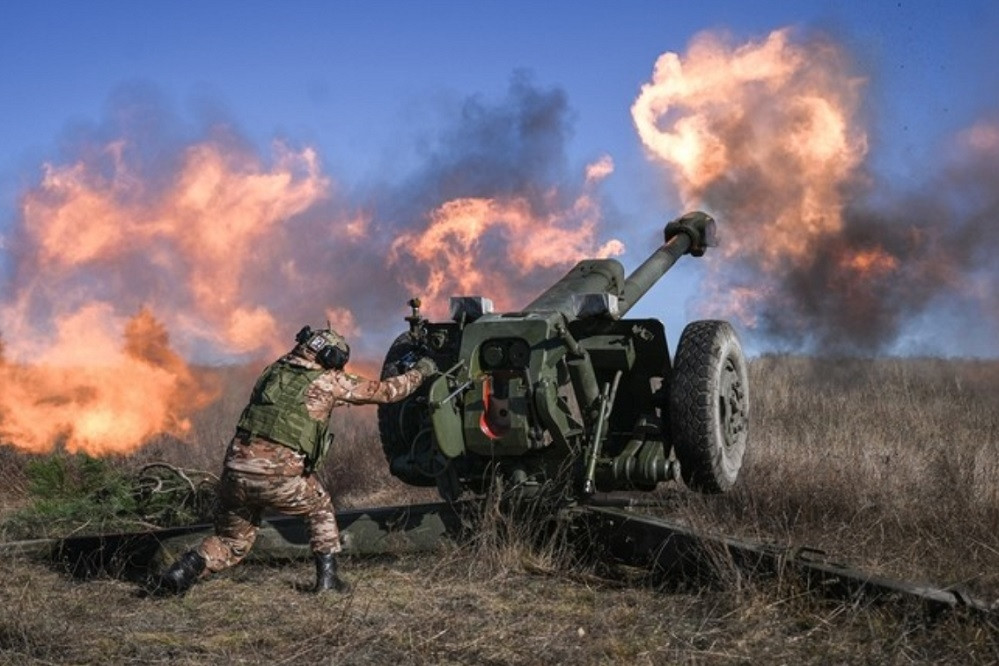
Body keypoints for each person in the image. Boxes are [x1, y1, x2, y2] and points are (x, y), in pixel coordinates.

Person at [151, 324, 436, 595]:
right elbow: (388, 392)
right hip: (277, 477)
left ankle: (182, 571)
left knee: (232, 541)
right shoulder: (328, 381)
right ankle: (328, 580)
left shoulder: (273, 371)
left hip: (234, 472)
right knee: (320, 506)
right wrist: (423, 371)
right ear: (331, 358)